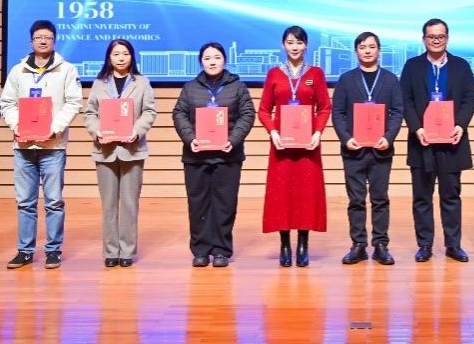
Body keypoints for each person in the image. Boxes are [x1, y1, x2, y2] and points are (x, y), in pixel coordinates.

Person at [0, 19, 82, 270]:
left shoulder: (67, 70)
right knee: (25, 201)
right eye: (38, 37)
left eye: (48, 37)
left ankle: (53, 250)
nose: (43, 41)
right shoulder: (18, 71)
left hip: (53, 147)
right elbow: (7, 103)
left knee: (53, 201)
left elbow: (74, 102)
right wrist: (17, 127)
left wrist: (54, 128)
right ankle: (25, 251)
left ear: (54, 41)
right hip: (24, 147)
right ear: (31, 41)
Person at [399, 18, 474, 263]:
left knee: (451, 196)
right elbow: (405, 100)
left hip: (452, 142)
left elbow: (469, 98)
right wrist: (417, 128)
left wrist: (460, 125)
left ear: (447, 38)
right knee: (422, 197)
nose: (436, 40)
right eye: (431, 36)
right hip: (422, 142)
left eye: (440, 36)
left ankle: (453, 245)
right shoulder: (412, 66)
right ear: (423, 39)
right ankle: (424, 245)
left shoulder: (461, 66)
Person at [173, 41, 255, 268]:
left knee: (225, 204)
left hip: (228, 155)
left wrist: (233, 140)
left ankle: (221, 250)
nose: (212, 62)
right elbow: (179, 113)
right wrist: (191, 139)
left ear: (224, 61)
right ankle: (200, 250)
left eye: (217, 57)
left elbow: (247, 114)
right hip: (196, 156)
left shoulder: (238, 87)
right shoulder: (190, 88)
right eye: (207, 58)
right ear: (201, 62)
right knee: (198, 204)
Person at [257, 26, 331, 267]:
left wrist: (318, 132)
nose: (295, 47)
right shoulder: (274, 74)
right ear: (283, 45)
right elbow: (264, 110)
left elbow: (325, 107)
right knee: (282, 193)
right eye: (290, 42)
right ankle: (285, 243)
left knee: (306, 193)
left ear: (306, 45)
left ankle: (303, 243)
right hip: (282, 146)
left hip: (308, 145)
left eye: (299, 42)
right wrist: (273, 132)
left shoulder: (316, 74)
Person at [331, 31, 404, 266]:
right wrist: (346, 138)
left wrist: (389, 137)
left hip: (381, 149)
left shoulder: (390, 79)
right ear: (356, 52)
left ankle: (381, 245)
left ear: (379, 50)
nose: (367, 51)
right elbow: (338, 113)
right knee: (356, 199)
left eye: (372, 47)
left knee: (380, 198)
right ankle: (359, 245)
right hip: (354, 149)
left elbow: (397, 112)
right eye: (362, 47)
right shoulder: (346, 79)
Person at [82, 39, 157, 268]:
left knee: (129, 204)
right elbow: (90, 114)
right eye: (116, 54)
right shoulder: (99, 83)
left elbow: (149, 112)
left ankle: (127, 251)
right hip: (105, 150)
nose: (121, 58)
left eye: (125, 53)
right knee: (108, 205)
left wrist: (136, 131)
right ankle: (110, 251)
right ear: (109, 57)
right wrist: (97, 132)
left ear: (132, 56)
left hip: (132, 150)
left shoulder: (142, 82)